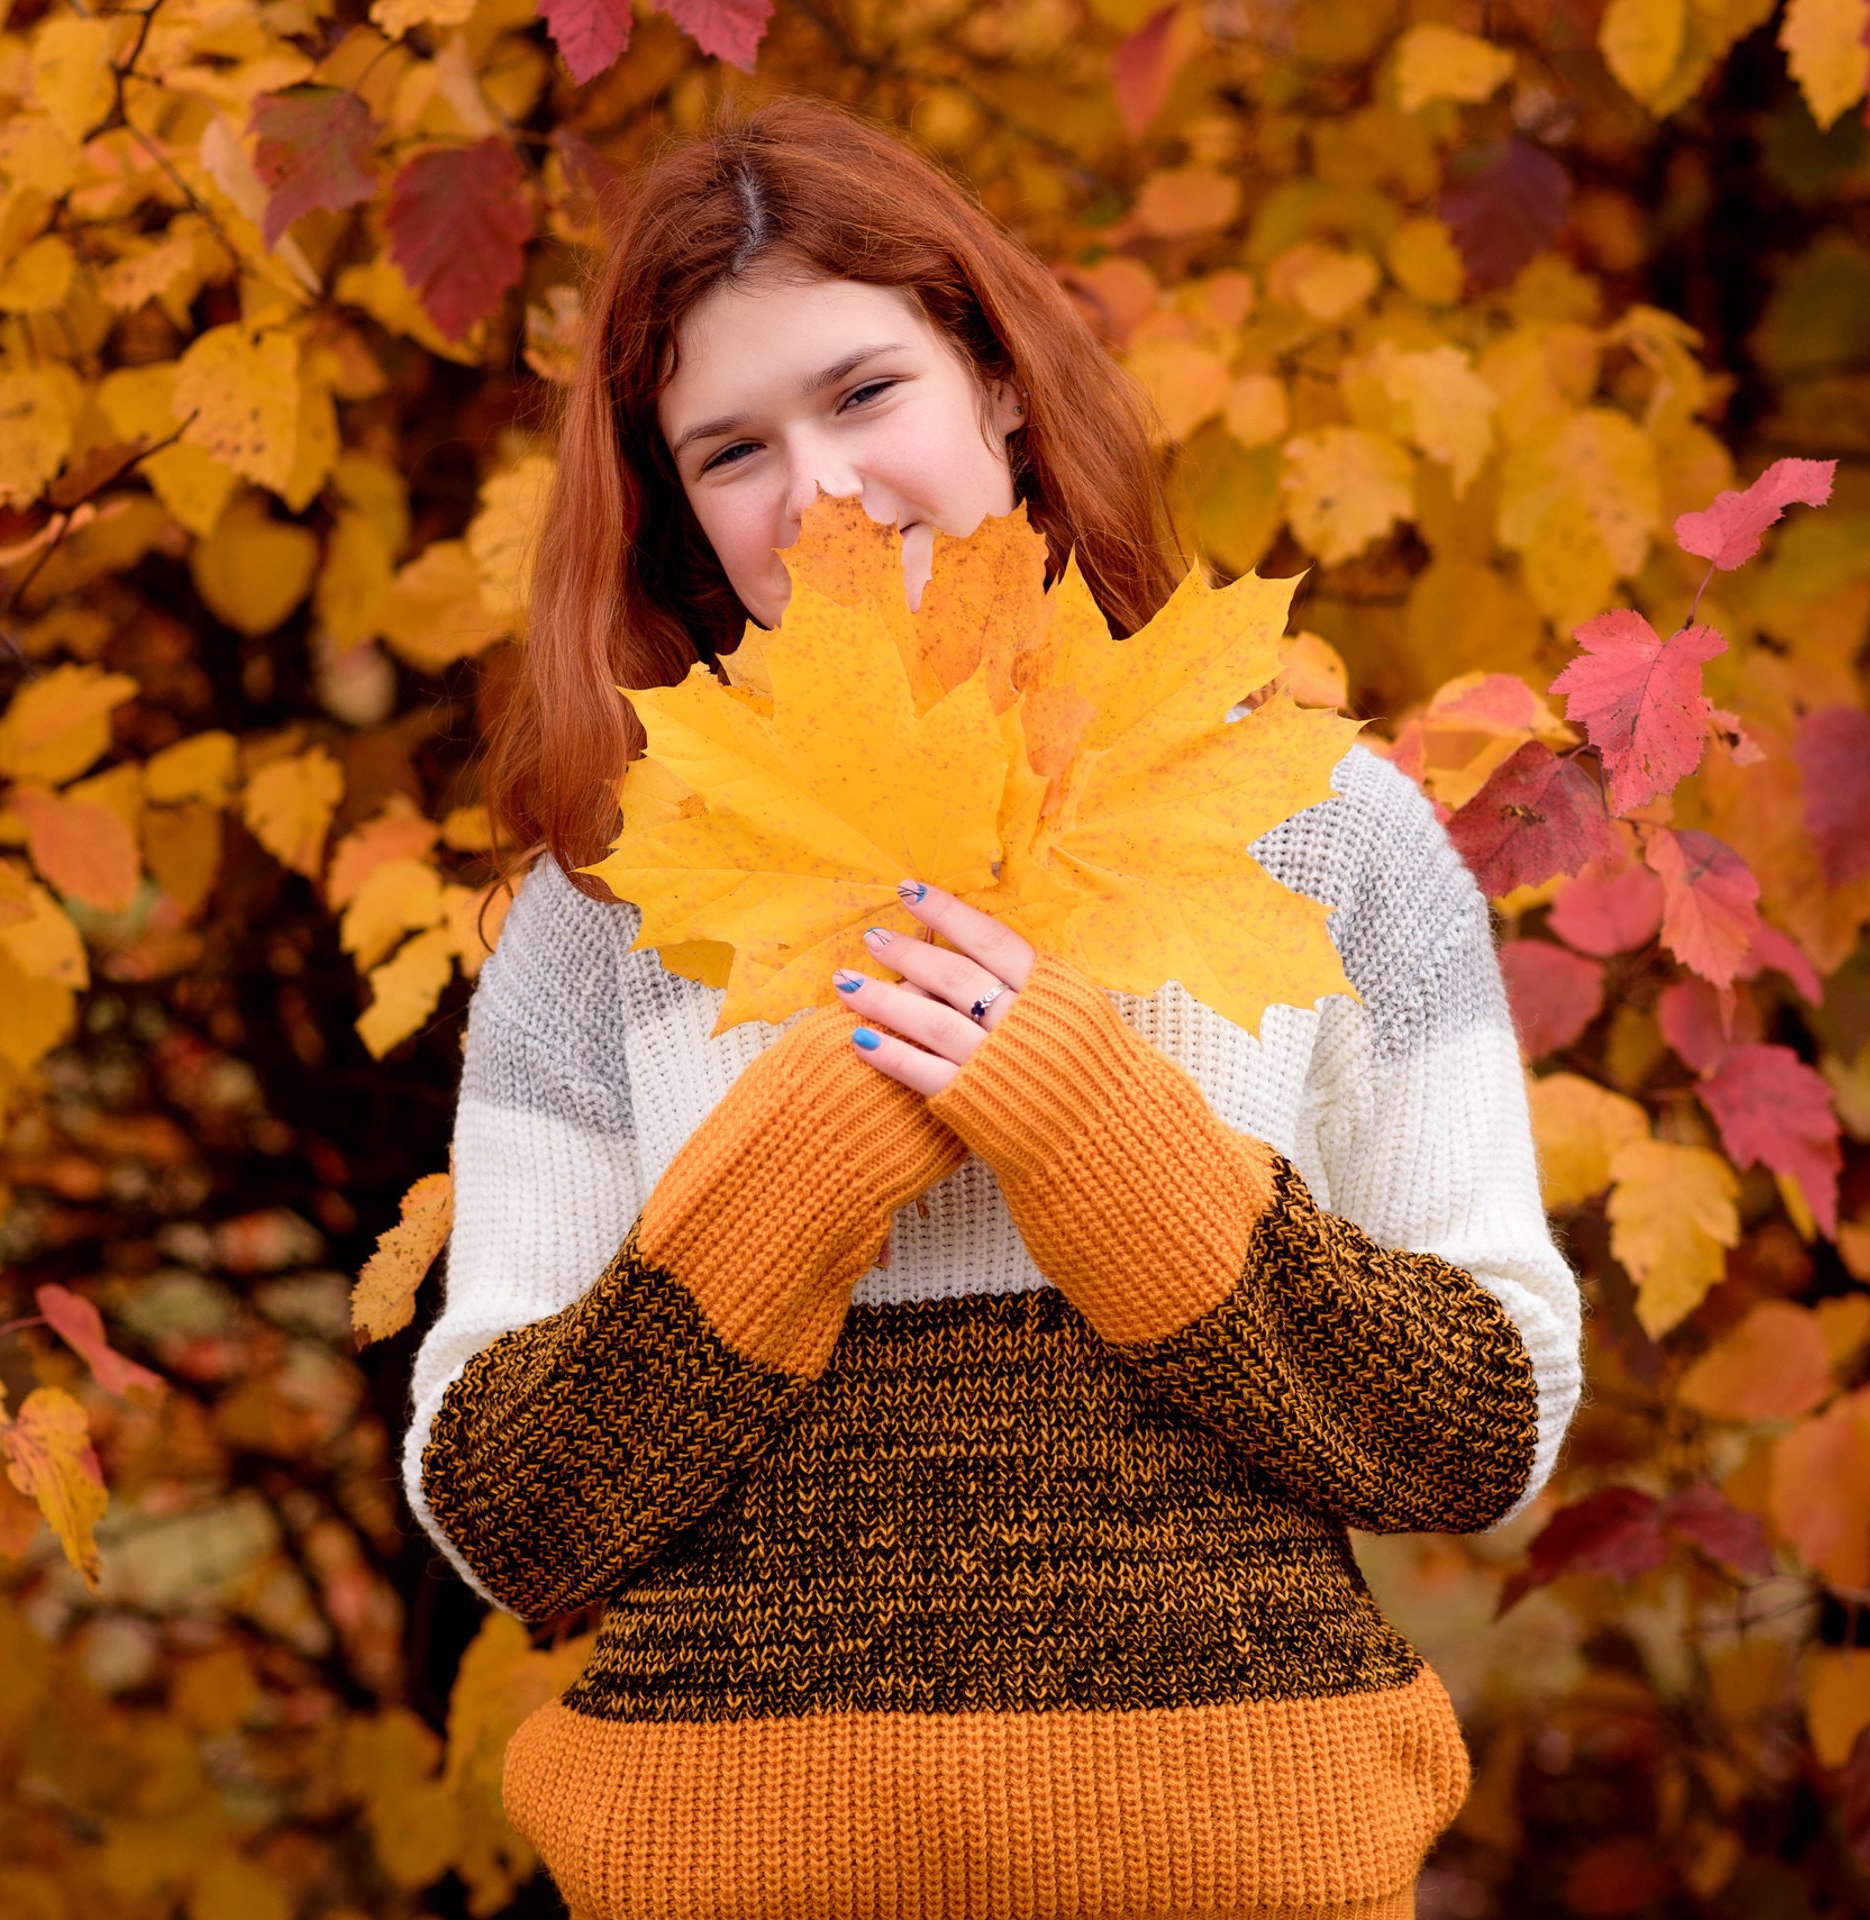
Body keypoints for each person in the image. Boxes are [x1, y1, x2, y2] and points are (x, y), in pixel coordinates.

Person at [403, 95, 1581, 1920]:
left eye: (865, 392)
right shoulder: (613, 908)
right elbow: (513, 1519)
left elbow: (1477, 1442)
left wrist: (1103, 1142)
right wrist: (795, 1162)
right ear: (675, 512)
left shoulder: (1324, 831)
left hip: (1239, 1869)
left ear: (999, 383)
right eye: (732, 449)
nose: (822, 493)